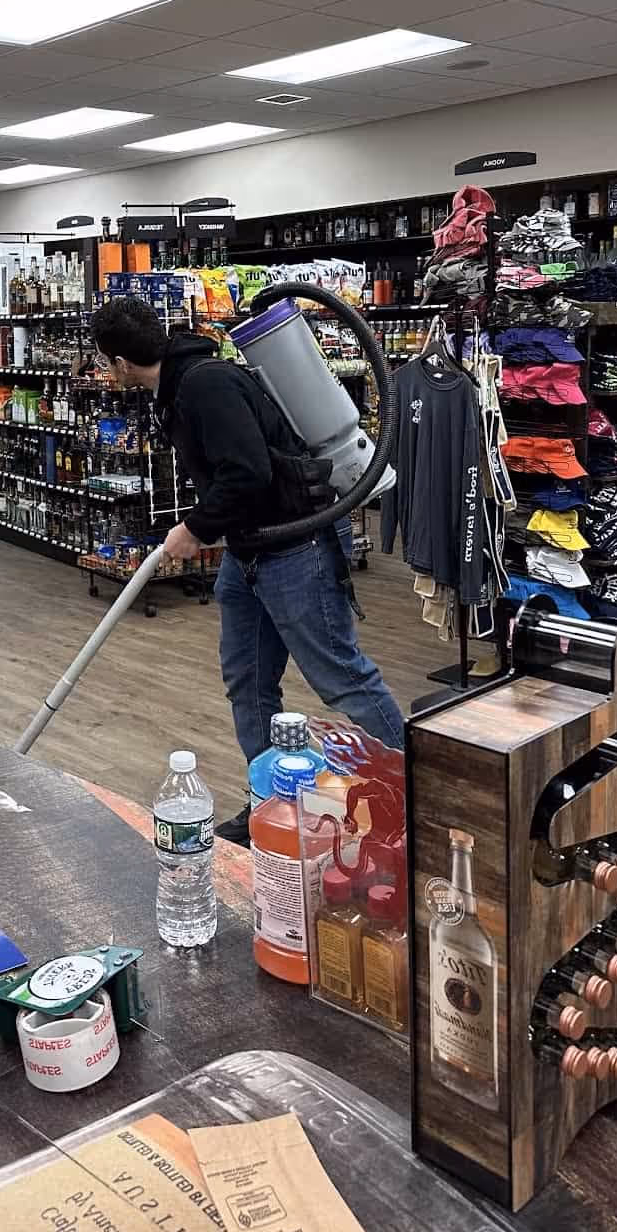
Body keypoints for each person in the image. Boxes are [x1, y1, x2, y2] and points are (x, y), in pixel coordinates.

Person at [89, 297, 404, 844]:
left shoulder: (203, 385)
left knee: (342, 679)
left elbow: (249, 473)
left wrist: (195, 527)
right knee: (249, 683)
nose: (103, 373)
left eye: (102, 364)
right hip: (249, 551)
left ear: (118, 362)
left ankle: (415, 793)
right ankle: (271, 801)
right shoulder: (178, 386)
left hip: (294, 546)